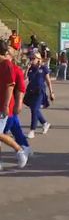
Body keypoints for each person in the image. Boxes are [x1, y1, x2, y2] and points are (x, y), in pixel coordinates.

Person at [0, 41, 28, 169]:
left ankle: (19, 150)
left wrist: (7, 105)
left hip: (3, 105)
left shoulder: (7, 65)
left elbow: (11, 86)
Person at [25, 52, 54, 139]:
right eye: (31, 58)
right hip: (30, 92)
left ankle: (32, 130)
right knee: (34, 109)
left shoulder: (43, 68)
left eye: (33, 58)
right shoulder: (30, 68)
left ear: (38, 59)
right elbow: (24, 78)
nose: (31, 60)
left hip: (40, 92)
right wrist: (27, 69)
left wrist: (51, 92)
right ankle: (45, 123)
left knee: (34, 109)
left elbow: (48, 81)